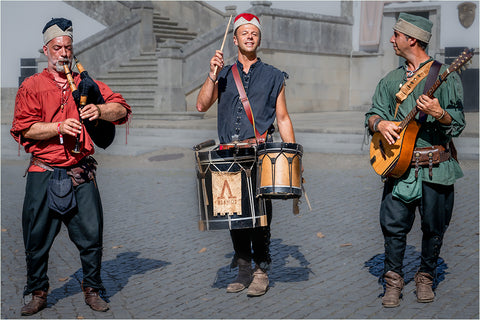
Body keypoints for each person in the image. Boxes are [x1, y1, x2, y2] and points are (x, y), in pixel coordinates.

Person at [11, 18, 131, 315]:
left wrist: (100, 109)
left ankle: (92, 288)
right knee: (36, 238)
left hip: (81, 172)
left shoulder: (86, 83)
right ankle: (38, 292)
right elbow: (24, 129)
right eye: (57, 48)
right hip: (44, 171)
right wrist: (58, 127)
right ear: (46, 50)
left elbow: (122, 109)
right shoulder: (32, 86)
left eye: (67, 47)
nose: (63, 53)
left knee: (92, 235)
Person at [365, 13, 465, 308]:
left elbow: (458, 123)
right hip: (399, 167)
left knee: (435, 227)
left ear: (411, 39)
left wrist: (439, 112)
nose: (391, 39)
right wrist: (379, 125)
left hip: (437, 167)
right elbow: (372, 113)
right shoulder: (391, 80)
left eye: (396, 34)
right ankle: (393, 281)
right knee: (393, 226)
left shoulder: (446, 75)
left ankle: (425, 277)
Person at [196, 13, 296, 297]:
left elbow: (284, 118)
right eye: (244, 33)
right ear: (235, 38)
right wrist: (212, 74)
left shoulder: (275, 76)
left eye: (254, 33)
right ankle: (243, 268)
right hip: (228, 154)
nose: (249, 36)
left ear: (259, 38)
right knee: (233, 214)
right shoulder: (224, 73)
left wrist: (293, 161)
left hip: (261, 153)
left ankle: (262, 269)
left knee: (261, 216)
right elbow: (201, 105)